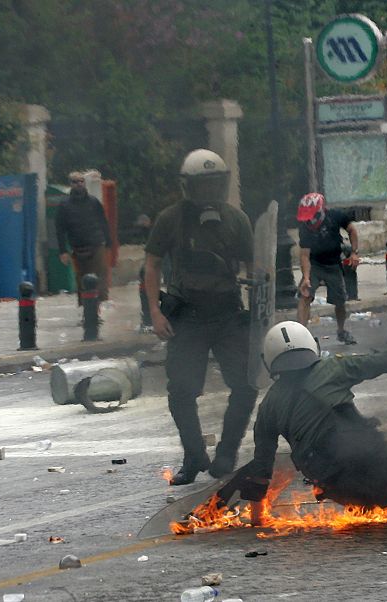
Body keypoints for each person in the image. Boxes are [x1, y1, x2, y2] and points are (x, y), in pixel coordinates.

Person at [233, 320, 387, 532]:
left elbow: (261, 471)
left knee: (379, 495)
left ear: (270, 361)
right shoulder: (332, 367)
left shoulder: (268, 406)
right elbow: (374, 362)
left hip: (327, 474)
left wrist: (257, 520)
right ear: (311, 346)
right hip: (362, 447)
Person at [144, 149, 258, 485]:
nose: (208, 191)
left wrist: (257, 309)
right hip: (187, 316)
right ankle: (194, 455)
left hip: (227, 314)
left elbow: (255, 265)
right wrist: (154, 311)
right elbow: (151, 263)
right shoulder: (171, 219)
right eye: (202, 185)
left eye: (214, 183)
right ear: (188, 186)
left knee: (246, 384)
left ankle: (226, 454)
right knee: (181, 391)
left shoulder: (237, 220)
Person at [295, 192, 359, 345]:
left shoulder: (335, 216)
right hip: (314, 264)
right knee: (305, 295)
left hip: (333, 264)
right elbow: (304, 255)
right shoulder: (304, 227)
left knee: (340, 301)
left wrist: (354, 253)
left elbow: (352, 230)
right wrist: (306, 277)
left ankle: (341, 331)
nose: (310, 221)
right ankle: (301, 336)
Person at [55, 171, 112, 306]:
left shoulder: (93, 202)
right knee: (82, 280)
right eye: (75, 182)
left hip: (97, 245)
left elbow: (103, 222)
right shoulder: (64, 205)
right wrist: (63, 251)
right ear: (70, 184)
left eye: (81, 181)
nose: (79, 184)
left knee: (99, 279)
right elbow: (60, 229)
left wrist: (109, 242)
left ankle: (98, 307)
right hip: (78, 248)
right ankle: (86, 309)